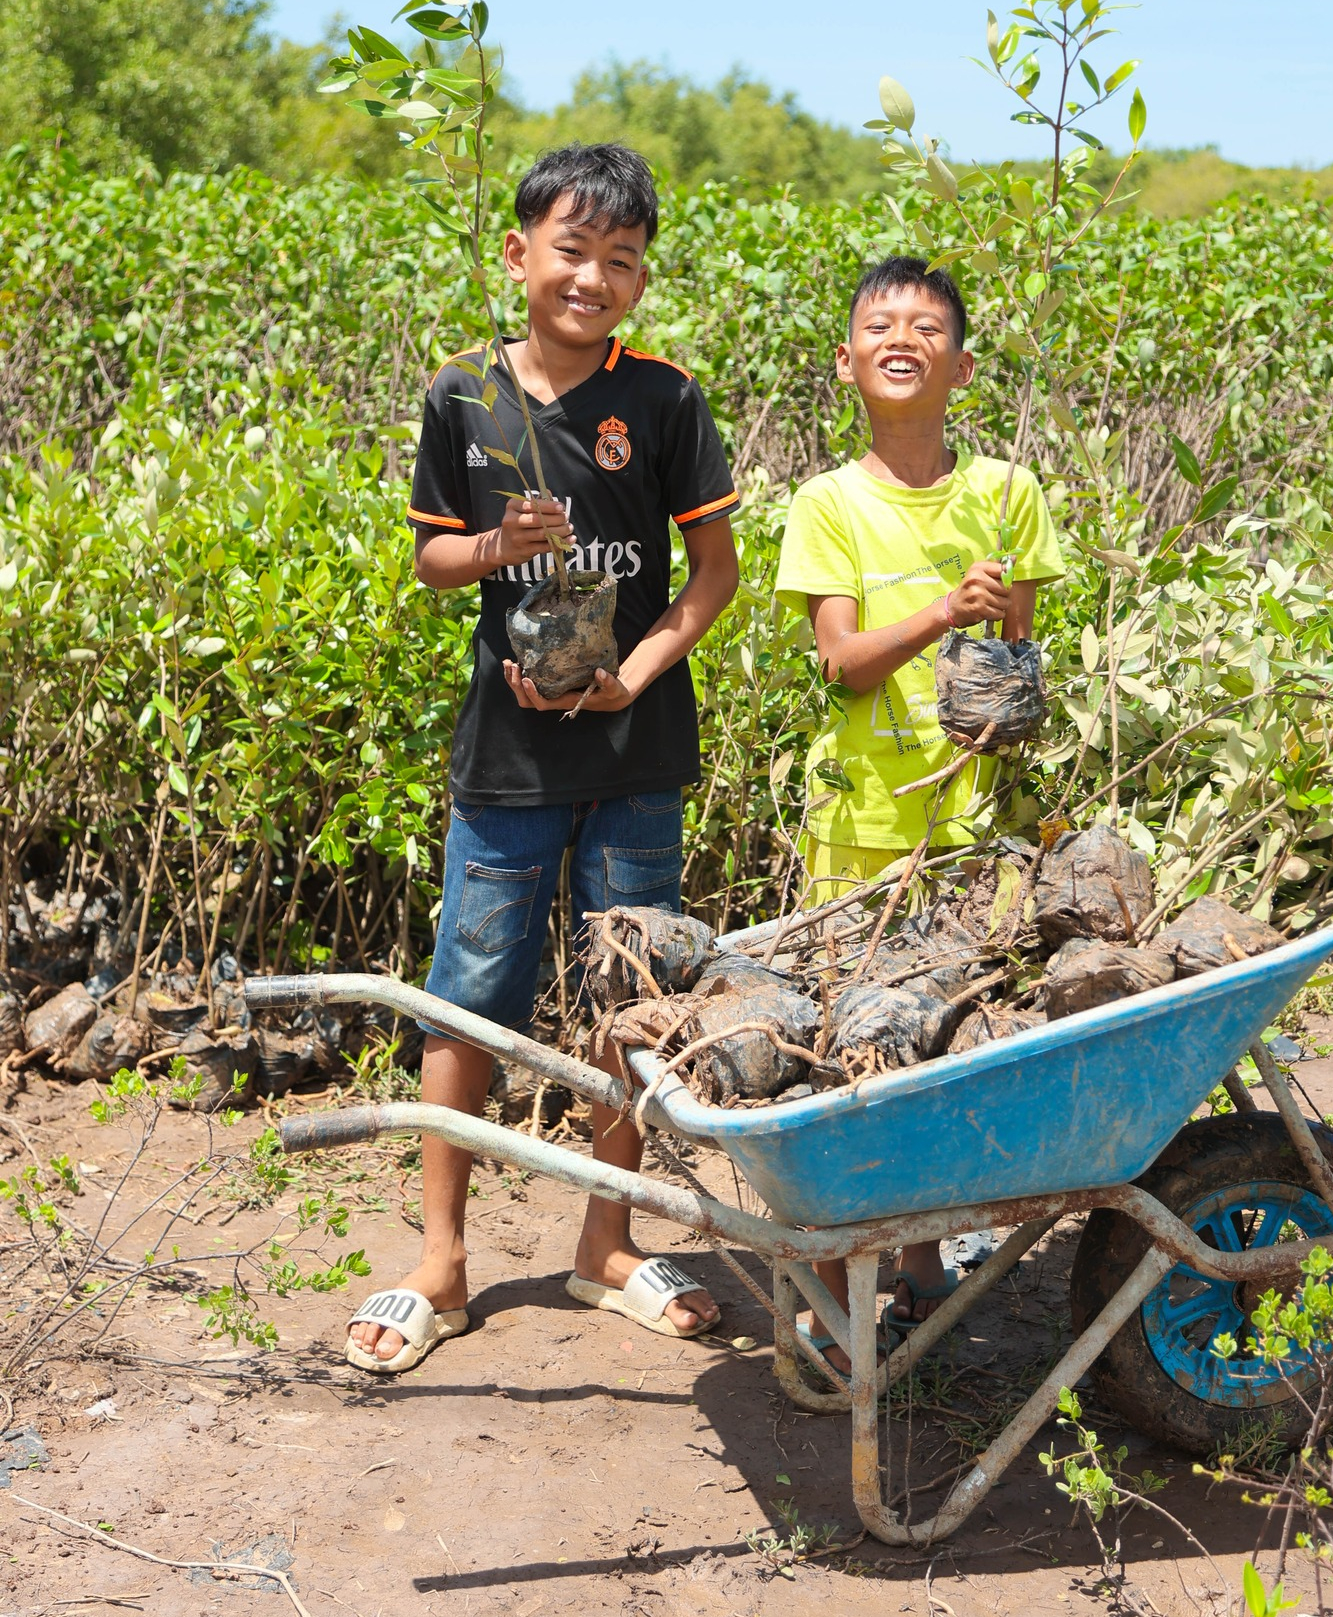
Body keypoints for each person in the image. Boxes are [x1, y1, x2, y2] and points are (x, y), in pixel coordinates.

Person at [346, 143, 740, 1374]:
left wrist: (634, 669)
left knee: (630, 1000)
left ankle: (606, 1244)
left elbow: (712, 577)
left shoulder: (666, 399)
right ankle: (442, 1258)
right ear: (518, 254)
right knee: (468, 990)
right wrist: (495, 543)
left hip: (634, 746)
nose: (594, 277)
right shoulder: (463, 393)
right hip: (507, 754)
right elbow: (431, 560)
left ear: (640, 281)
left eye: (620, 261)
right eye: (572, 250)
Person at [775, 255, 1063, 1365]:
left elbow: (1009, 683)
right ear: (849, 361)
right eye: (881, 324)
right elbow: (843, 665)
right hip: (859, 820)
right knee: (855, 1055)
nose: (905, 337)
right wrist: (945, 607)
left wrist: (986, 628)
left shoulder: (1008, 493)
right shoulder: (827, 502)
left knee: (946, 1045)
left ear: (963, 363)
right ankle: (842, 1271)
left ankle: (924, 1267)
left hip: (973, 824)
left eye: (928, 325)